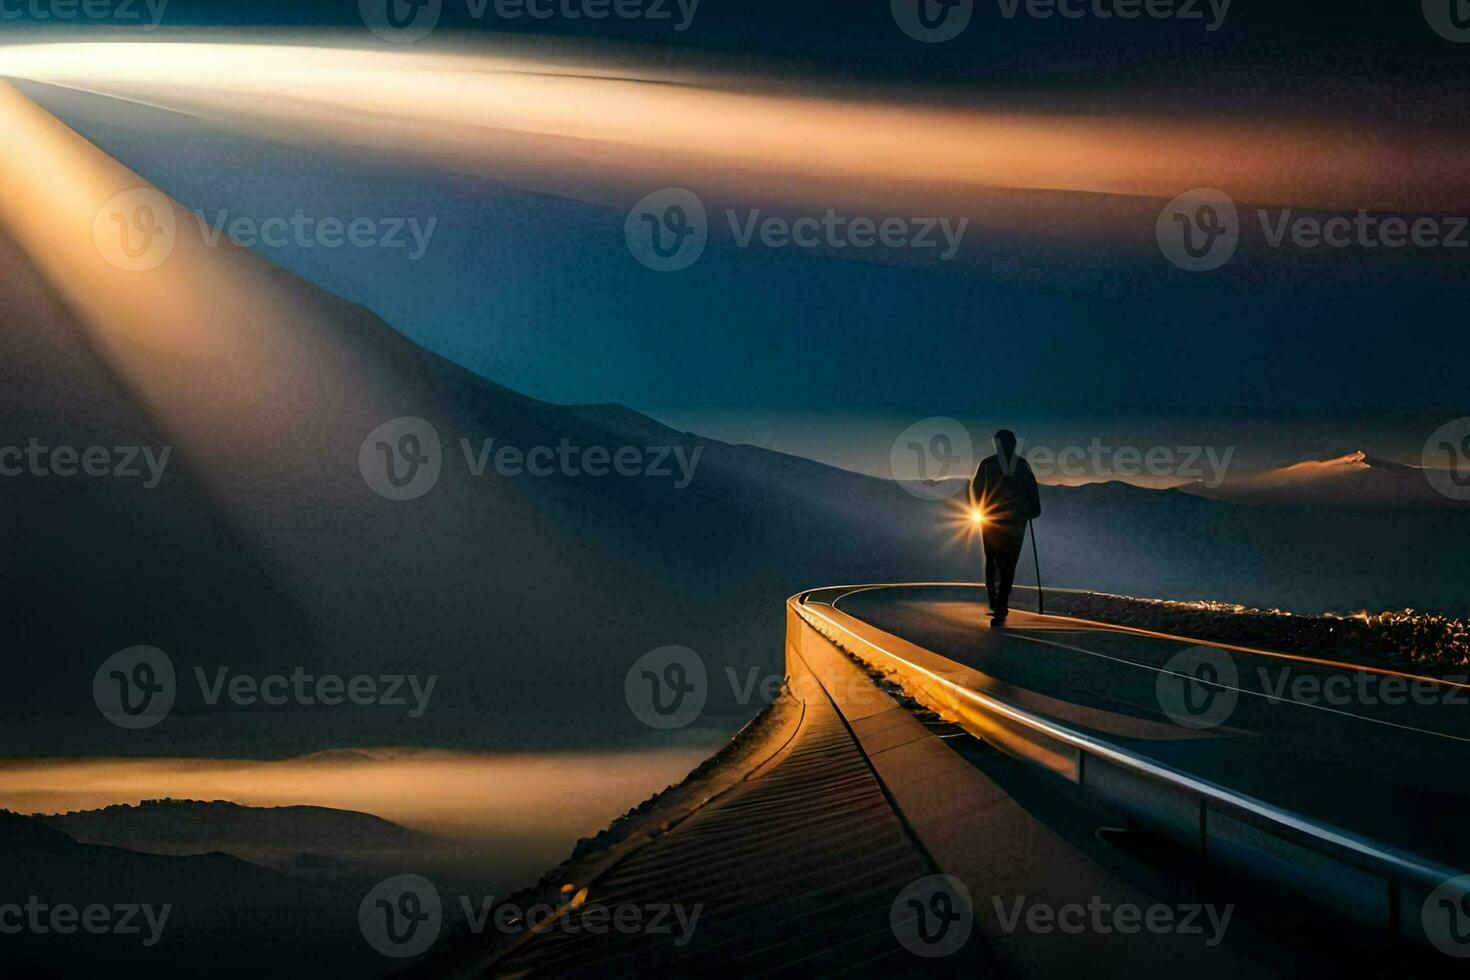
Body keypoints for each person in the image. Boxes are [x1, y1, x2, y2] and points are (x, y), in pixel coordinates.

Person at [969, 430, 1041, 625]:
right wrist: (1032, 510)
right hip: (1015, 522)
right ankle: (1001, 601)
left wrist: (979, 509)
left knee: (993, 559)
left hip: (992, 520)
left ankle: (996, 599)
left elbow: (975, 491)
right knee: (1008, 562)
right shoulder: (1021, 465)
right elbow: (1032, 491)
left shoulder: (988, 465)